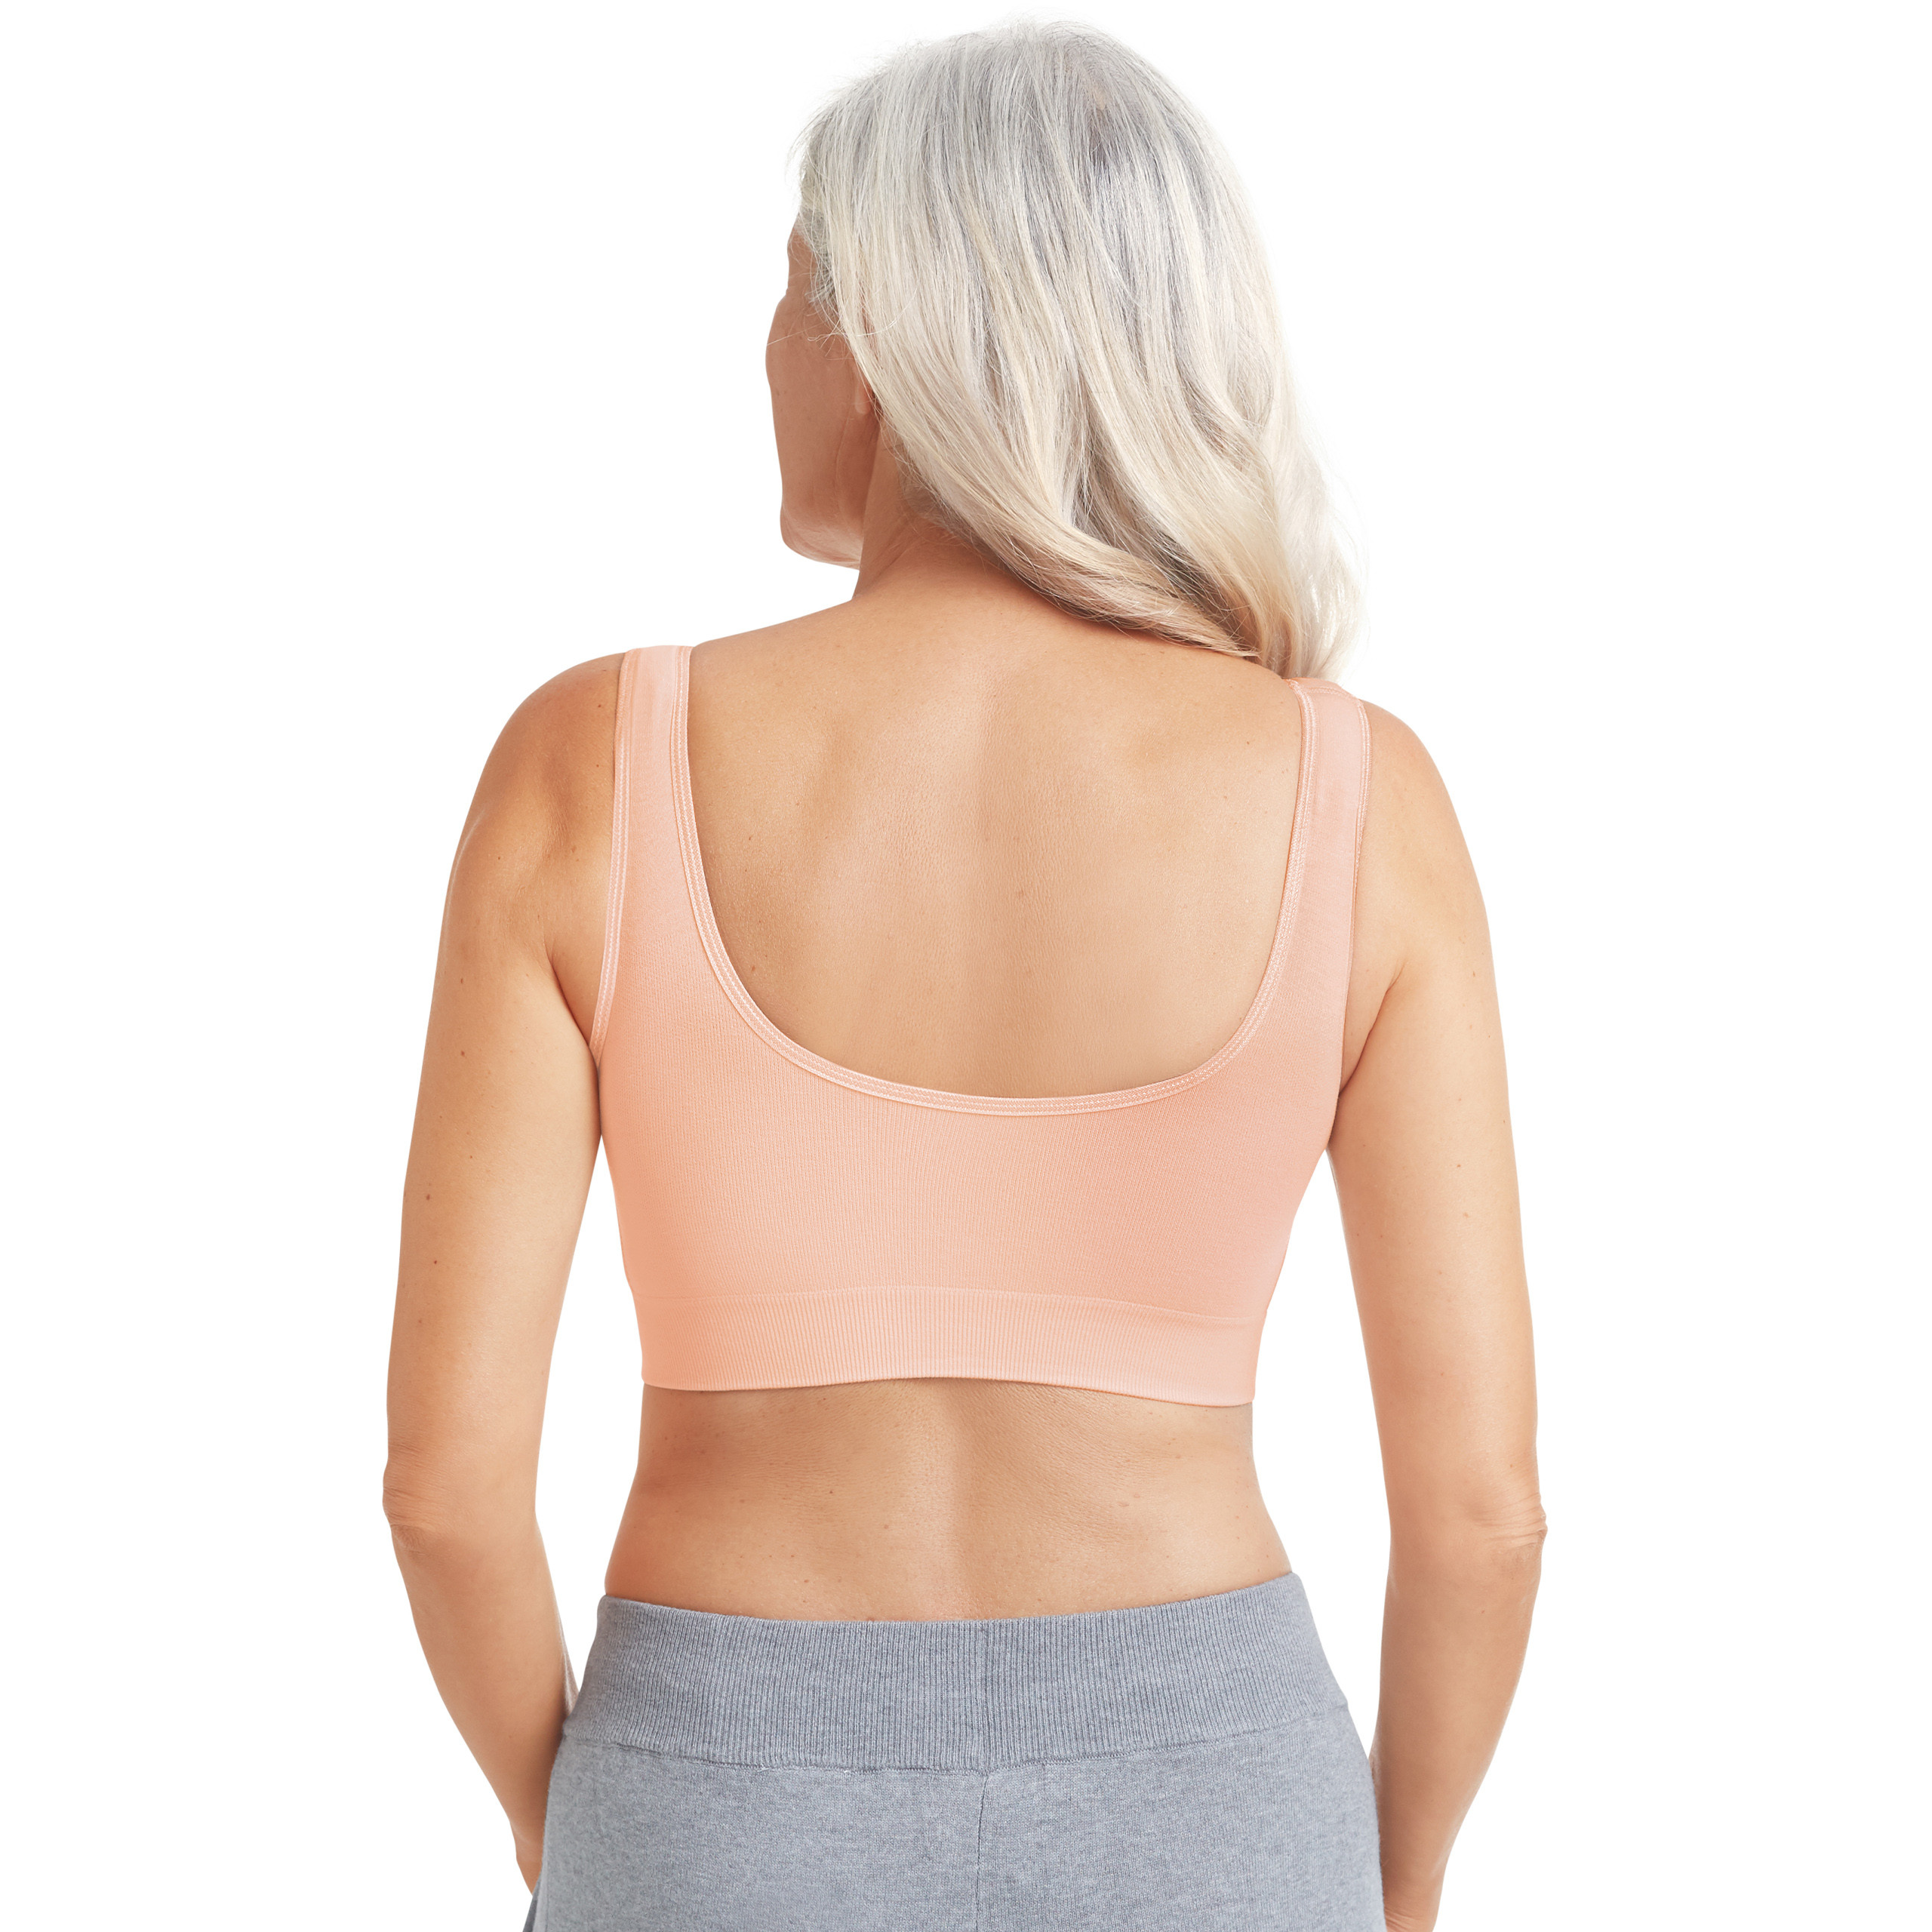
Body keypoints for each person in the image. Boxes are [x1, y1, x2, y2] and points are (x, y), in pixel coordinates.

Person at [383, 22, 1543, 1931]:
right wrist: (1391, 1877)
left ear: (873, 341)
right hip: (1210, 1798)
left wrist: (578, 1827)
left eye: (786, 294)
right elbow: (1481, 1510)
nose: (765, 352)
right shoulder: (1353, 793)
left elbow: (443, 1488)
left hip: (716, 1797)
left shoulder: (592, 760)